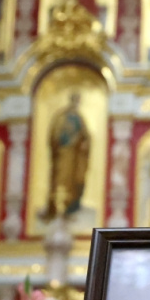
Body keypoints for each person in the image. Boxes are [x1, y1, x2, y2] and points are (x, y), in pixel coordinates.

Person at [43, 92, 91, 220]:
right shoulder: (61, 117)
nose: (77, 103)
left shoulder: (79, 118)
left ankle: (70, 207)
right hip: (63, 154)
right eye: (75, 100)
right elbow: (55, 135)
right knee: (61, 178)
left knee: (73, 181)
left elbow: (85, 136)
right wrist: (65, 142)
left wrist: (83, 142)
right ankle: (56, 208)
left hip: (75, 157)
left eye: (78, 100)